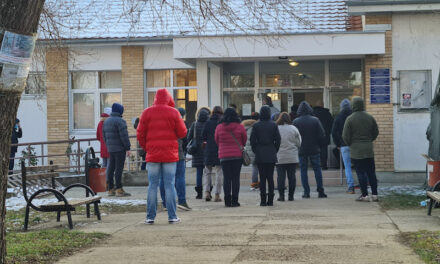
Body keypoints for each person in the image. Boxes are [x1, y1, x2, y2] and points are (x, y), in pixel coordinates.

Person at [137, 89, 187, 224]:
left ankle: (150, 217)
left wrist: (148, 148)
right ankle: (172, 216)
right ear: (168, 99)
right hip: (170, 154)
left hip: (153, 154)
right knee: (170, 184)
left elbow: (140, 134)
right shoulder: (174, 112)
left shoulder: (146, 112)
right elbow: (182, 132)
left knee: (152, 185)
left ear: (155, 98)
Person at [342, 96, 379, 202]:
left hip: (356, 151)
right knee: (371, 173)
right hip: (368, 149)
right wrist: (369, 140)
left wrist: (350, 144)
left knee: (361, 173)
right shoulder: (369, 117)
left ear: (353, 105)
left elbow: (345, 136)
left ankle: (365, 195)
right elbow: (375, 132)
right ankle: (375, 194)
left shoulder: (350, 119)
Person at [159, 107, 192, 211]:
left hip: (163, 153)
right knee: (180, 177)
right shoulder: (179, 123)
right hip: (177, 152)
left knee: (163, 179)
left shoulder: (161, 123)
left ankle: (165, 203)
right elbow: (185, 137)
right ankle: (182, 201)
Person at [293, 101, 327, 198]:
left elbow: (294, 136)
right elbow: (322, 134)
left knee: (303, 170)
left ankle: (306, 192)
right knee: (317, 169)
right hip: (314, 148)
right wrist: (319, 145)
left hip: (302, 149)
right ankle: (320, 191)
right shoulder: (315, 120)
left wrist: (297, 146)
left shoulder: (296, 121)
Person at [215, 108, 247, 207]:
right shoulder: (240, 127)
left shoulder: (219, 127)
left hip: (224, 156)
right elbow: (244, 140)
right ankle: (235, 200)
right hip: (237, 156)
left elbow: (216, 140)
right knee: (235, 178)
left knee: (227, 178)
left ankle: (227, 201)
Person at [251, 105, 281, 206]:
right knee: (270, 177)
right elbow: (278, 140)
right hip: (271, 152)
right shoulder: (273, 125)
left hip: (260, 152)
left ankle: (263, 200)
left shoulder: (256, 125)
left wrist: (256, 150)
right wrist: (274, 149)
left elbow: (252, 141)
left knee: (262, 178)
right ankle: (271, 200)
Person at [103, 103, 131, 197]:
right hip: (120, 148)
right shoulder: (120, 121)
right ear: (119, 111)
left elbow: (104, 137)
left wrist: (108, 146)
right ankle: (119, 189)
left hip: (111, 148)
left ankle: (110, 188)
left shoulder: (106, 121)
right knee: (119, 169)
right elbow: (124, 136)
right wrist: (128, 147)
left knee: (111, 167)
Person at [276, 112, 301, 201]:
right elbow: (299, 143)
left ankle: (281, 196)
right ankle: (291, 196)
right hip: (292, 157)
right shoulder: (293, 128)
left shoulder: (276, 128)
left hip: (280, 157)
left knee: (281, 177)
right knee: (292, 177)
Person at [332, 99, 355, 194]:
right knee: (359, 166)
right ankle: (363, 186)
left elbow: (333, 132)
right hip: (355, 145)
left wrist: (338, 144)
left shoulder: (338, 117)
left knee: (347, 166)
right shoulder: (354, 116)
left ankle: (351, 187)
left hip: (344, 145)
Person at [187, 107, 210, 199]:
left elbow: (189, 137)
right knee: (208, 171)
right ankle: (208, 191)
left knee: (199, 172)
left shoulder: (194, 124)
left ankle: (199, 193)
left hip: (197, 151)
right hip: (207, 150)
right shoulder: (209, 124)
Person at [202, 106, 224, 202]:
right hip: (220, 149)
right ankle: (217, 194)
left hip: (209, 150)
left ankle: (207, 193)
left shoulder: (208, 122)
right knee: (219, 172)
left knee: (207, 172)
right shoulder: (222, 123)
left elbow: (203, 136)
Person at [313, 103, 334, 170]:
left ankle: (316, 165)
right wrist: (328, 132)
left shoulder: (313, 113)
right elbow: (332, 124)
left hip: (315, 135)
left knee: (315, 151)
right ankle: (324, 165)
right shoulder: (327, 113)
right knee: (324, 150)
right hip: (325, 135)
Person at [242, 118, 258, 190]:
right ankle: (255, 184)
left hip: (248, 150)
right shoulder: (254, 128)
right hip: (255, 150)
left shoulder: (243, 128)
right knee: (257, 168)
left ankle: (254, 185)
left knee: (254, 167)